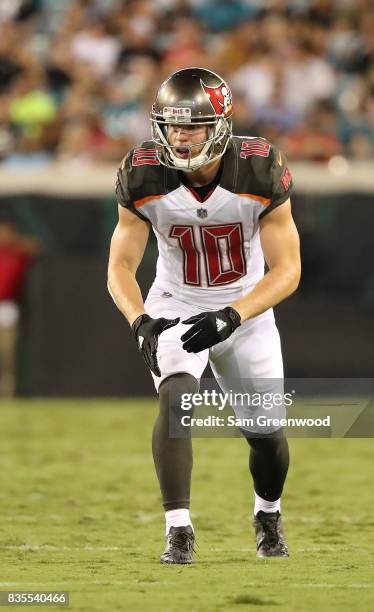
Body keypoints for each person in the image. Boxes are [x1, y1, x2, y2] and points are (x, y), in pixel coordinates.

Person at [107, 67, 301, 564]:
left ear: (221, 125)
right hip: (175, 299)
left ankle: (267, 513)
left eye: (192, 125)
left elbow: (288, 271)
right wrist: (139, 318)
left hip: (246, 302)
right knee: (175, 397)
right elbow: (121, 266)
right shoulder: (142, 172)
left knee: (266, 435)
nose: (180, 135)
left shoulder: (259, 168)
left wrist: (234, 315)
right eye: (172, 125)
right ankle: (178, 529)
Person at [0, 215, 40, 397]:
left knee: (8, 356)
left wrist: (14, 241)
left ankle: (8, 395)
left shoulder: (16, 253)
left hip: (7, 309)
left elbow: (35, 247)